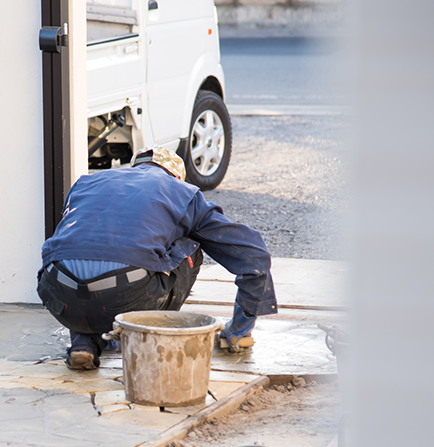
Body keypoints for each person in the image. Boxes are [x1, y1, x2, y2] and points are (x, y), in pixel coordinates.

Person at [37, 147, 277, 370]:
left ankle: (84, 343)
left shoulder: (86, 182)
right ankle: (152, 336)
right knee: (190, 247)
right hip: (128, 293)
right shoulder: (181, 192)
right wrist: (238, 330)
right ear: (176, 176)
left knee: (84, 255)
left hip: (57, 292)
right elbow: (254, 257)